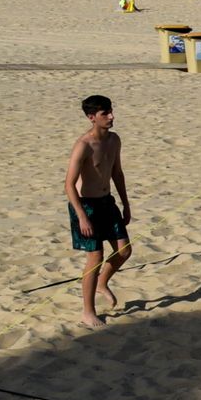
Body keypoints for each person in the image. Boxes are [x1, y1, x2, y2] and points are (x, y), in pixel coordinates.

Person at [64, 95, 132, 327]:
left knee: (124, 251)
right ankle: (88, 311)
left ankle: (102, 283)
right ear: (92, 117)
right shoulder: (83, 145)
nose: (111, 117)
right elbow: (69, 184)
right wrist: (81, 216)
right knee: (96, 257)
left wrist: (126, 203)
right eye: (105, 114)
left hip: (107, 202)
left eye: (111, 111)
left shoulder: (114, 140)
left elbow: (117, 173)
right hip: (86, 205)